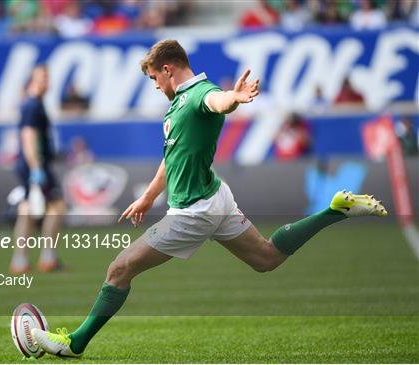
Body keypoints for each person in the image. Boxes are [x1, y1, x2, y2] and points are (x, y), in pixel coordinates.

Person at [31, 40, 388, 357]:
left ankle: (74, 343)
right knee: (266, 258)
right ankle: (335, 210)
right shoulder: (181, 102)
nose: (155, 86)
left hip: (193, 213)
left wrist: (235, 97)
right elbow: (170, 159)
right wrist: (148, 197)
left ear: (168, 69)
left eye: (155, 78)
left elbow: (219, 102)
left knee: (119, 269)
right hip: (216, 197)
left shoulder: (200, 94)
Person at [10, 65, 66, 274]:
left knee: (28, 211)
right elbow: (28, 137)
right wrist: (36, 167)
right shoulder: (32, 105)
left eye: (48, 77)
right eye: (43, 77)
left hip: (35, 163)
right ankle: (47, 257)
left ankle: (21, 261)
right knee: (56, 207)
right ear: (32, 80)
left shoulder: (36, 104)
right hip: (35, 164)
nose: (47, 82)